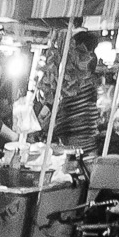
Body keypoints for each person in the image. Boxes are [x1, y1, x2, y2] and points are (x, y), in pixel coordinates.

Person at [36, 29, 102, 157]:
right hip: (75, 144)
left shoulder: (83, 78)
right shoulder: (70, 83)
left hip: (81, 148)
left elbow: (72, 106)